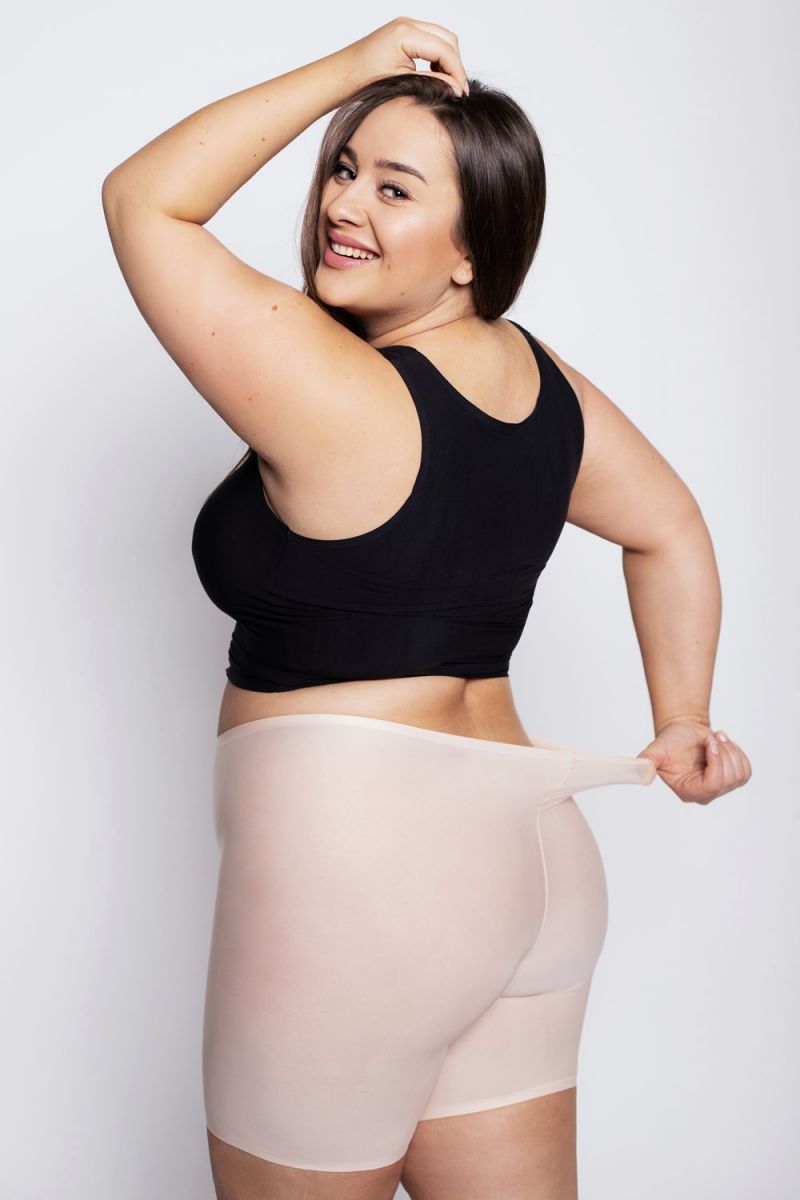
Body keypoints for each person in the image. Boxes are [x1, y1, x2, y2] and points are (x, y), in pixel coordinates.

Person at [101, 17, 752, 1200]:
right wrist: (681, 716)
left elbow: (144, 200)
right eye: (344, 169)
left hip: (361, 878)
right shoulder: (540, 386)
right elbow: (669, 525)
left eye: (394, 189)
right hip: (534, 865)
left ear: (469, 250)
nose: (342, 204)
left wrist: (352, 70)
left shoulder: (329, 384)